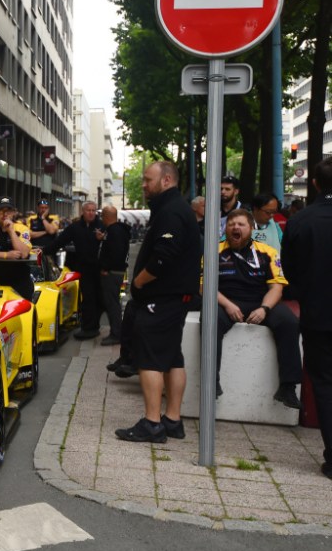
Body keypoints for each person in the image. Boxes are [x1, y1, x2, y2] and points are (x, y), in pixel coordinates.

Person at [115, 161, 200, 443]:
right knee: (173, 357)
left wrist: (139, 281)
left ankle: (152, 423)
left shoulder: (171, 211)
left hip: (161, 298)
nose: (143, 184)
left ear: (166, 180)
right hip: (174, 297)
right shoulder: (174, 208)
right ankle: (172, 420)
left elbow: (164, 256)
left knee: (149, 358)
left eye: (147, 179)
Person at [212, 209, 301, 406]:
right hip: (226, 301)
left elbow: (276, 287)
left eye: (241, 224)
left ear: (251, 228)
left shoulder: (267, 251)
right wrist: (228, 305)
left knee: (289, 322)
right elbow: (205, 286)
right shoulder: (213, 251)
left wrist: (264, 309)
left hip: (260, 301)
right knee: (210, 320)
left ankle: (288, 388)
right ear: (225, 229)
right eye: (231, 224)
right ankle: (212, 382)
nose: (235, 227)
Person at [282, 155, 332, 480]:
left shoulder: (301, 221)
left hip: (318, 315)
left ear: (314, 183)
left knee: (324, 384)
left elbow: (289, 270)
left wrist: (306, 295)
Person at [51, 201, 104, 340]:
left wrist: (102, 239)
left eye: (93, 210)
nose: (91, 213)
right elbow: (60, 241)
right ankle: (88, 328)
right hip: (85, 269)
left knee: (100, 298)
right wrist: (45, 251)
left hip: (100, 268)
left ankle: (94, 326)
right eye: (88, 210)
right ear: (83, 211)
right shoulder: (75, 227)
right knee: (88, 298)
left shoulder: (102, 226)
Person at [98, 205, 129, 346]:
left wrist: (106, 268)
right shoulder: (116, 230)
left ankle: (116, 334)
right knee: (112, 302)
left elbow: (116, 253)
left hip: (112, 272)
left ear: (105, 216)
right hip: (116, 271)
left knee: (112, 304)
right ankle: (116, 332)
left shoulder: (114, 232)